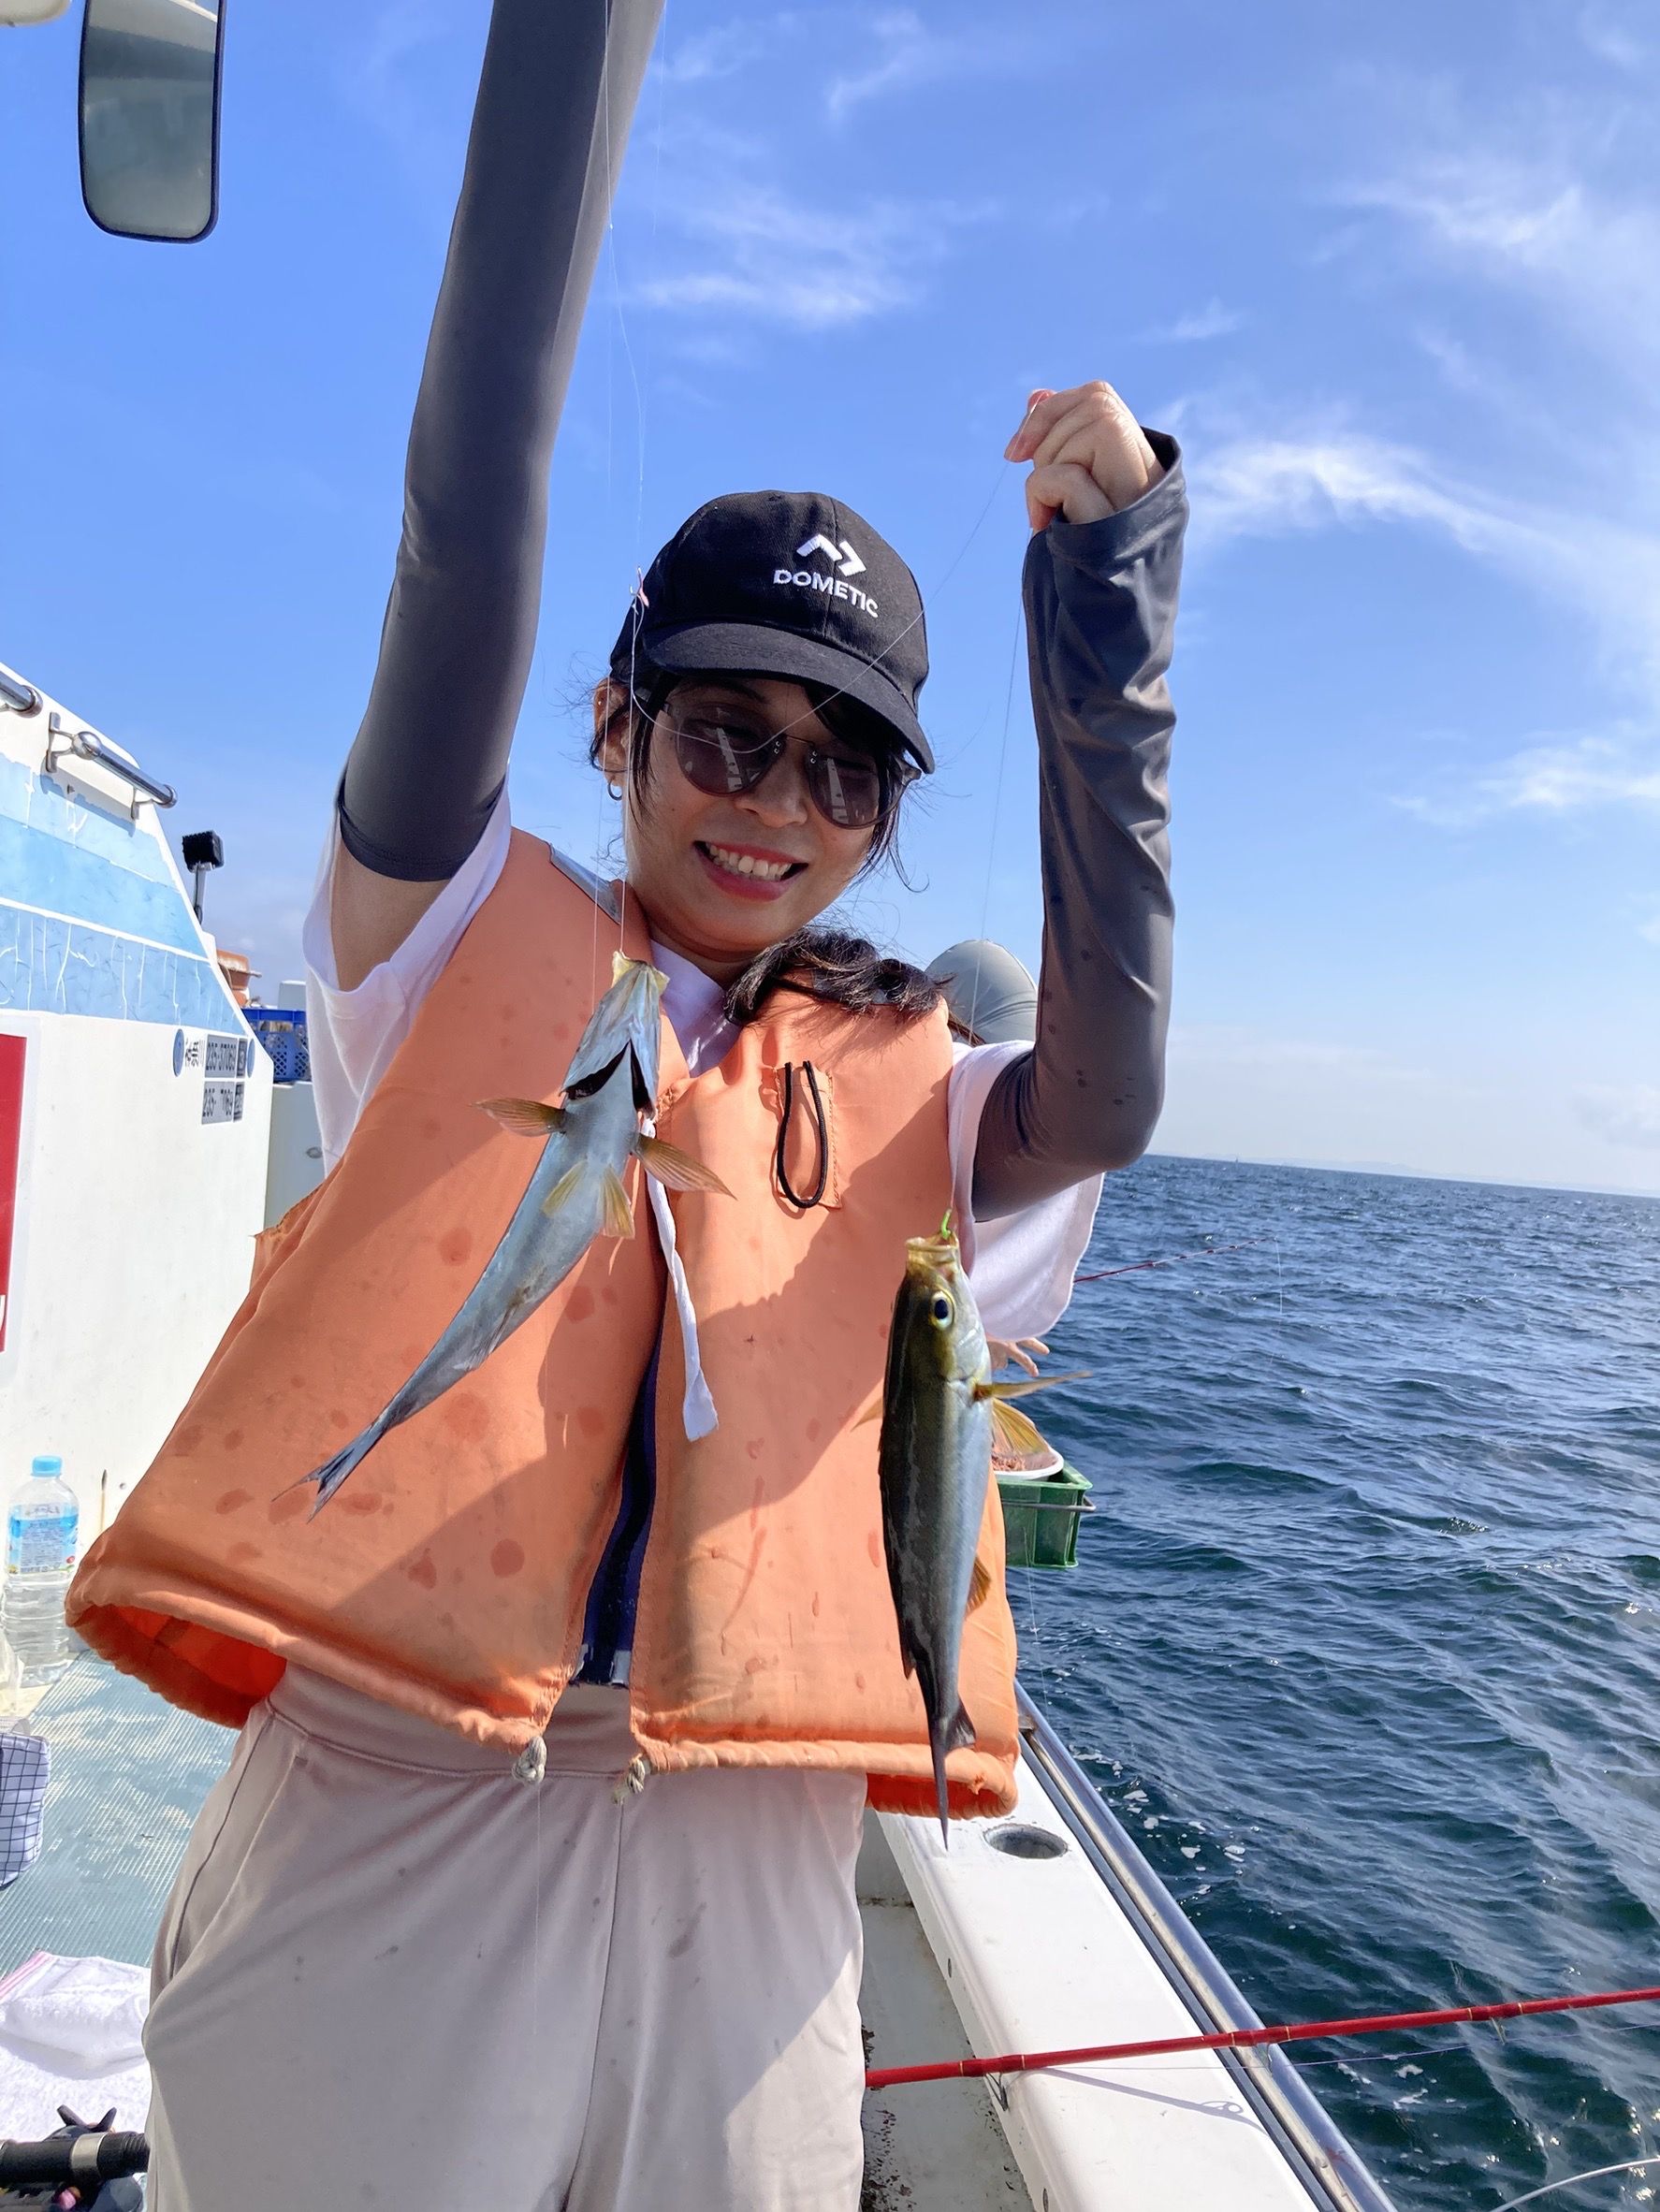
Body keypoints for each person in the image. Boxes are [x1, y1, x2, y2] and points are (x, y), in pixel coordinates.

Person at [67, 5, 1185, 2205]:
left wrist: (1110, 594)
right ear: (615, 729)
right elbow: (459, 531)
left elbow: (1113, 1084)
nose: (774, 803)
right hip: (401, 1799)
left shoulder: (918, 1096)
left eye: (840, 769)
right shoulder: (442, 932)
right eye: (722, 737)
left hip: (745, 1861)